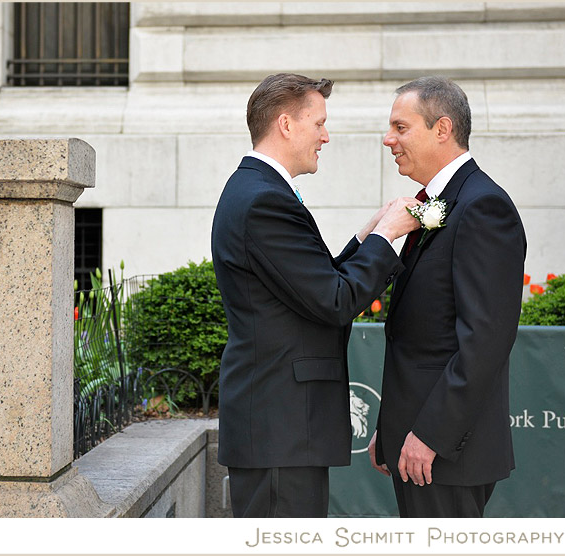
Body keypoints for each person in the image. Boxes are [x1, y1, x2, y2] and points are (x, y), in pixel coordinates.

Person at [211, 73, 420, 518]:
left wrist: (367, 236)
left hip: (279, 428)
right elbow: (334, 299)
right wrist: (387, 235)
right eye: (319, 123)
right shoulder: (263, 199)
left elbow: (310, 282)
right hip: (280, 429)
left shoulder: (258, 190)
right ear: (286, 125)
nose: (326, 136)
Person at [368, 76, 527, 518]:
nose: (388, 139)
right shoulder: (436, 205)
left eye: (401, 127)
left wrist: (430, 435)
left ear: (442, 129)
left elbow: (485, 340)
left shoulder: (483, 207)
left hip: (447, 454)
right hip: (413, 441)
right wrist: (393, 426)